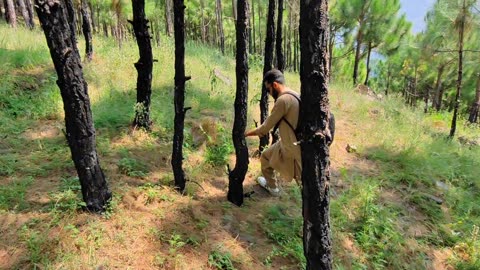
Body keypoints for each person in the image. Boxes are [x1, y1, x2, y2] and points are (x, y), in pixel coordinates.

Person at [245, 69, 301, 196]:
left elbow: (265, 128)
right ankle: (272, 187)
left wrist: (246, 133)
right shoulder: (294, 94)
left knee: (303, 183)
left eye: (268, 89)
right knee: (265, 157)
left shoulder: (282, 101)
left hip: (293, 147)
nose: (269, 93)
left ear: (275, 85)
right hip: (287, 142)